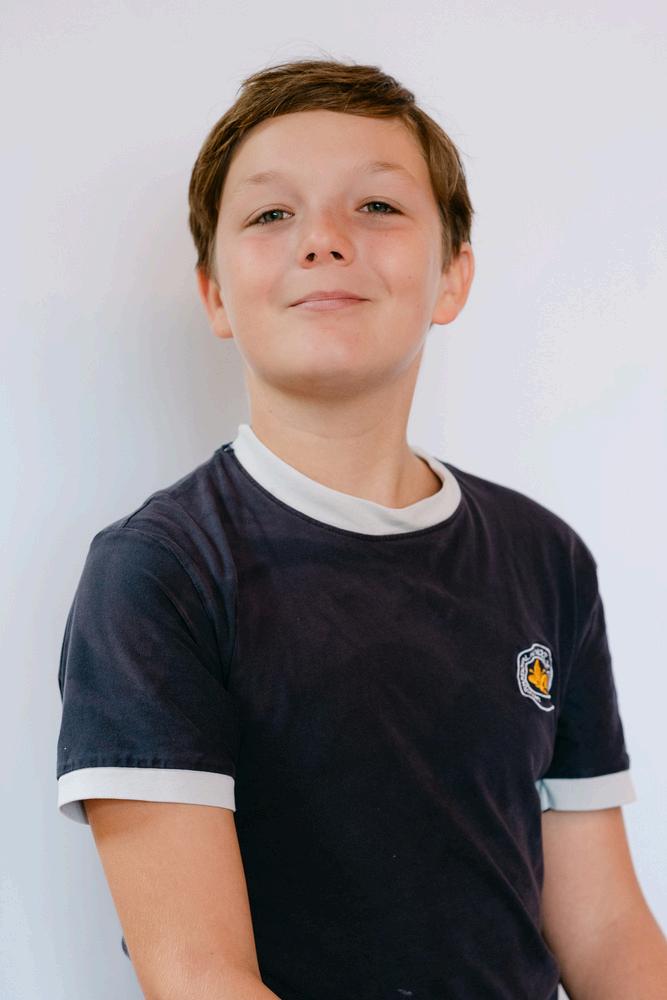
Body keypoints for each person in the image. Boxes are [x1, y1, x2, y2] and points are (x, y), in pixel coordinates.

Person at [56, 57, 667, 1000]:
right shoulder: (158, 571)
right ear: (215, 295)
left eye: (377, 206)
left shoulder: (544, 556)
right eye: (271, 214)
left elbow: (610, 936)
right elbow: (198, 974)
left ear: (451, 277)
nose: (323, 241)